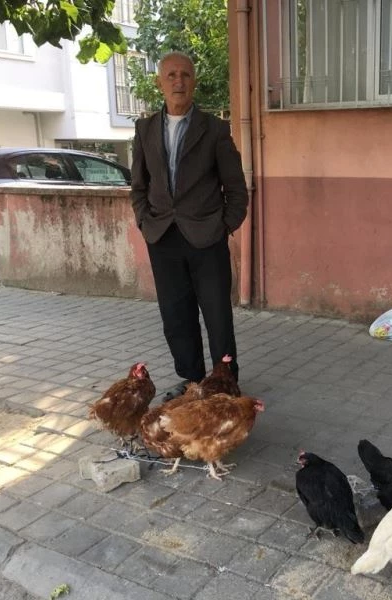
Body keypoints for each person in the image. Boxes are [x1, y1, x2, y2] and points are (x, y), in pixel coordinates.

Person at [130, 51, 248, 400]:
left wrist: (224, 226)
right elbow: (138, 185)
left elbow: (236, 188)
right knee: (175, 316)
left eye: (185, 75)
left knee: (217, 315)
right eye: (171, 75)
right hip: (163, 237)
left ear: (193, 81)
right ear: (159, 83)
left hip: (207, 237)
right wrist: (143, 220)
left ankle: (225, 382)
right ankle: (192, 379)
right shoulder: (145, 129)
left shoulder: (214, 129)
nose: (178, 81)